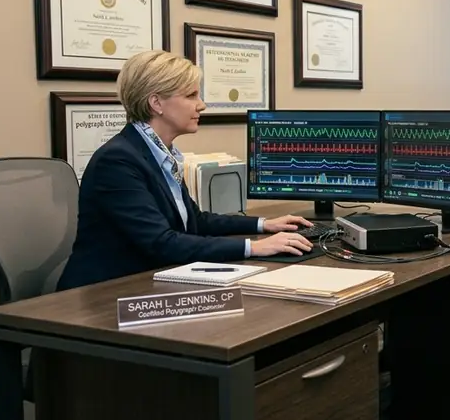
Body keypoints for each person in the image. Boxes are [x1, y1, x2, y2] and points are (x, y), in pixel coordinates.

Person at [56, 50, 315, 291]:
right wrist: (254, 247)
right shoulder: (117, 161)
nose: (201, 105)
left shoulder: (157, 152)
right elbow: (162, 242)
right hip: (102, 296)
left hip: (149, 282)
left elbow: (195, 221)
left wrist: (263, 224)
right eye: (191, 96)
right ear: (156, 103)